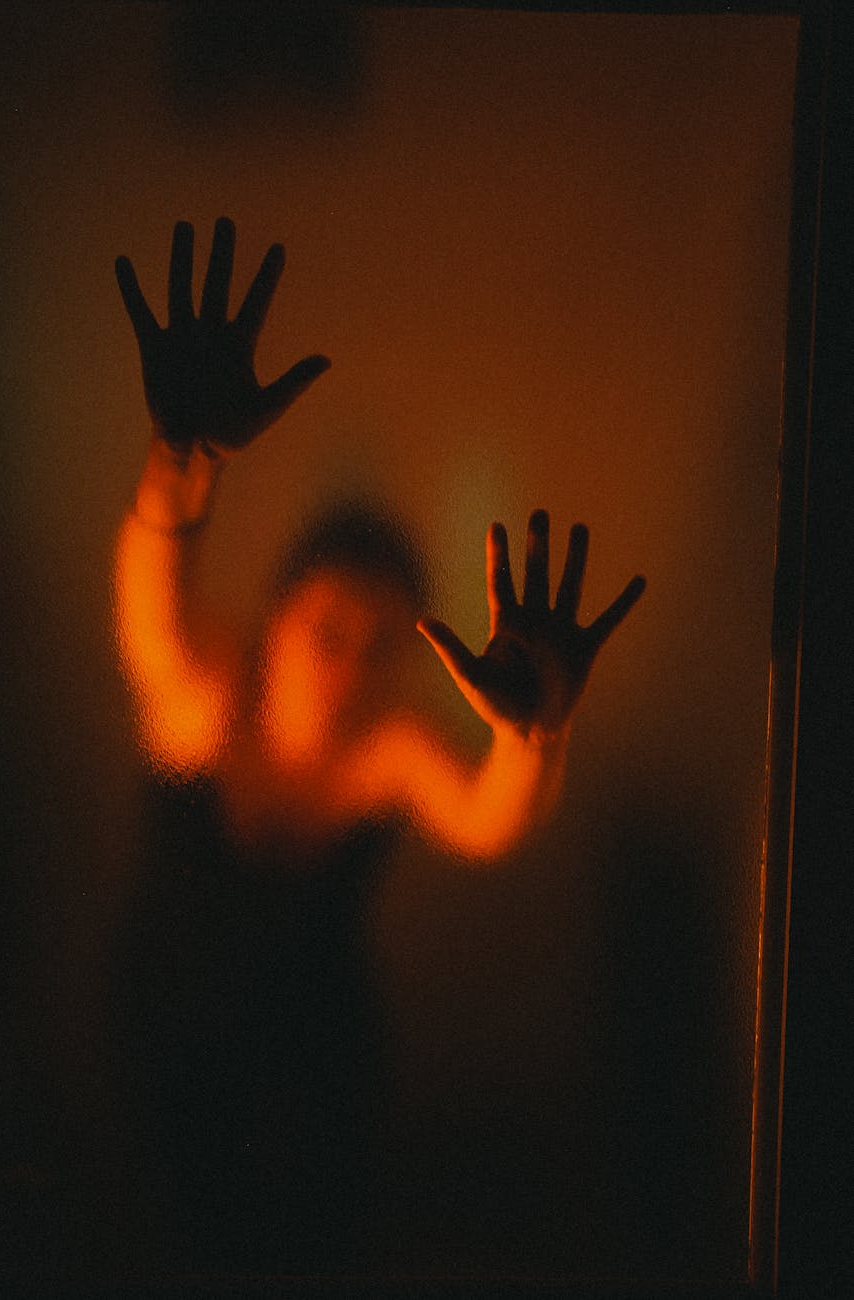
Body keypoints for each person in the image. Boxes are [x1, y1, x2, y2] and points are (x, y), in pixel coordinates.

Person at [109, 218, 645, 1271]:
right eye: (328, 632)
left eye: (377, 646)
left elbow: (485, 822)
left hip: (322, 1084)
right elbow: (151, 619)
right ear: (276, 618)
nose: (349, 666)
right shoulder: (208, 698)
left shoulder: (388, 746)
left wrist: (534, 733)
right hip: (167, 1064)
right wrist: (180, 459)